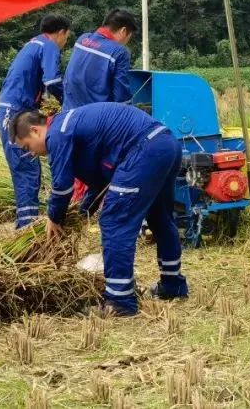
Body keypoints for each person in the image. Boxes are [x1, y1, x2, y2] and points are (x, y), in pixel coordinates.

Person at [10, 103, 188, 316]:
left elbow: (62, 185)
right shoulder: (68, 125)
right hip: (165, 144)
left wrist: (53, 217)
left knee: (114, 222)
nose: (32, 154)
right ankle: (173, 285)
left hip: (143, 150)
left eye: (27, 147)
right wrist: (82, 213)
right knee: (160, 217)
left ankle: (120, 301)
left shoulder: (57, 134)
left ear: (35, 131)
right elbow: (99, 182)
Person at [0, 14, 72, 228]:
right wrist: (68, 102)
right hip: (16, 112)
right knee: (27, 168)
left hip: (10, 109)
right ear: (61, 33)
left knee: (25, 169)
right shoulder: (49, 45)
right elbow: (52, 80)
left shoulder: (34, 44)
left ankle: (25, 222)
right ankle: (27, 227)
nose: (65, 42)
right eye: (67, 37)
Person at [62, 9, 138, 110]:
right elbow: (121, 96)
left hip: (68, 112)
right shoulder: (119, 52)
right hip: (96, 116)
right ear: (123, 31)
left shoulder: (82, 39)